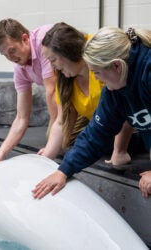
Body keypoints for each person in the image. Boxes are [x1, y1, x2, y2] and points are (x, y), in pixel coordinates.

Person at [32, 26, 151, 199]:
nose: (95, 78)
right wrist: (63, 171)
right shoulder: (114, 92)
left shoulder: (147, 72)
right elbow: (95, 134)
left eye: (96, 72)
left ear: (116, 66)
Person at [37, 22, 133, 166]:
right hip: (104, 128)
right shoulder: (66, 78)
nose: (52, 66)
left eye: (53, 60)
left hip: (131, 129)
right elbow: (61, 121)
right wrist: (46, 158)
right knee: (73, 143)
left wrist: (119, 151)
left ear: (68, 52)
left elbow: (125, 108)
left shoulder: (103, 68)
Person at [0, 19, 57, 167]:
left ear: (24, 38)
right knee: (56, 135)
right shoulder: (20, 68)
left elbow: (52, 92)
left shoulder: (44, 41)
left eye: (12, 51)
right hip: (68, 95)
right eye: (6, 55)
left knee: (60, 137)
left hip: (88, 82)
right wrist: (0, 153)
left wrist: (52, 145)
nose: (11, 58)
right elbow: (22, 117)